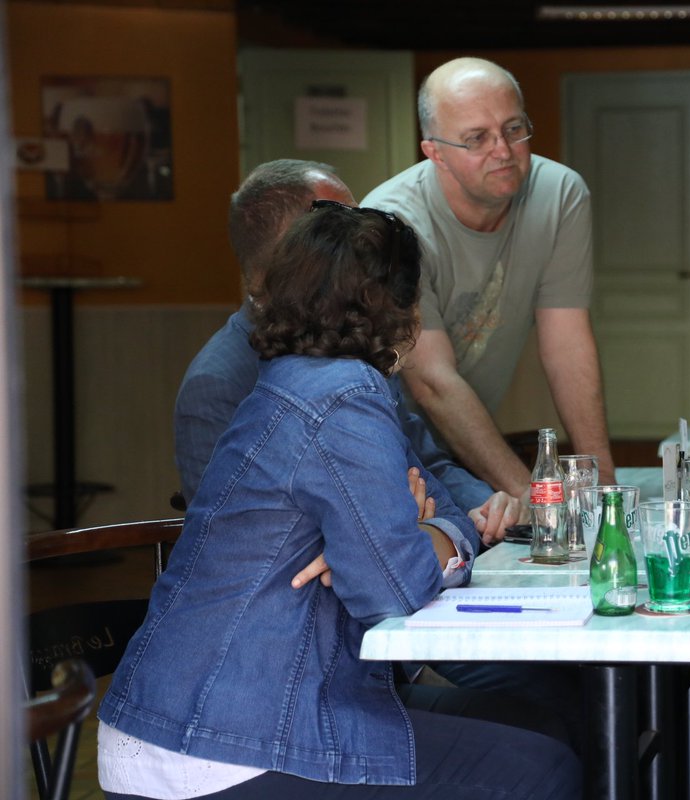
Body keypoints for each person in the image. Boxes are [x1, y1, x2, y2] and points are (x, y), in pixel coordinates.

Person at [98, 201, 581, 799]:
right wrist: (419, 535)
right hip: (220, 743)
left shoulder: (297, 380)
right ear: (397, 310)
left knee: (537, 725)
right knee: (542, 770)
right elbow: (392, 589)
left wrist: (418, 530)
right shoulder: (344, 398)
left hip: (213, 707)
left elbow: (432, 517)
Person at [174, 159, 522, 545]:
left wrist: (486, 508)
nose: (364, 241)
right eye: (345, 228)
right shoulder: (216, 383)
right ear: (300, 248)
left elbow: (426, 463)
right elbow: (234, 542)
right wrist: (416, 527)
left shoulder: (352, 344)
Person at [363, 57, 616, 497]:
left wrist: (604, 487)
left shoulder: (560, 193)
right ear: (435, 152)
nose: (502, 150)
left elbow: (567, 346)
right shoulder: (391, 221)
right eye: (477, 138)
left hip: (467, 442)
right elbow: (432, 381)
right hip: (387, 448)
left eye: (514, 129)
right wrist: (537, 501)